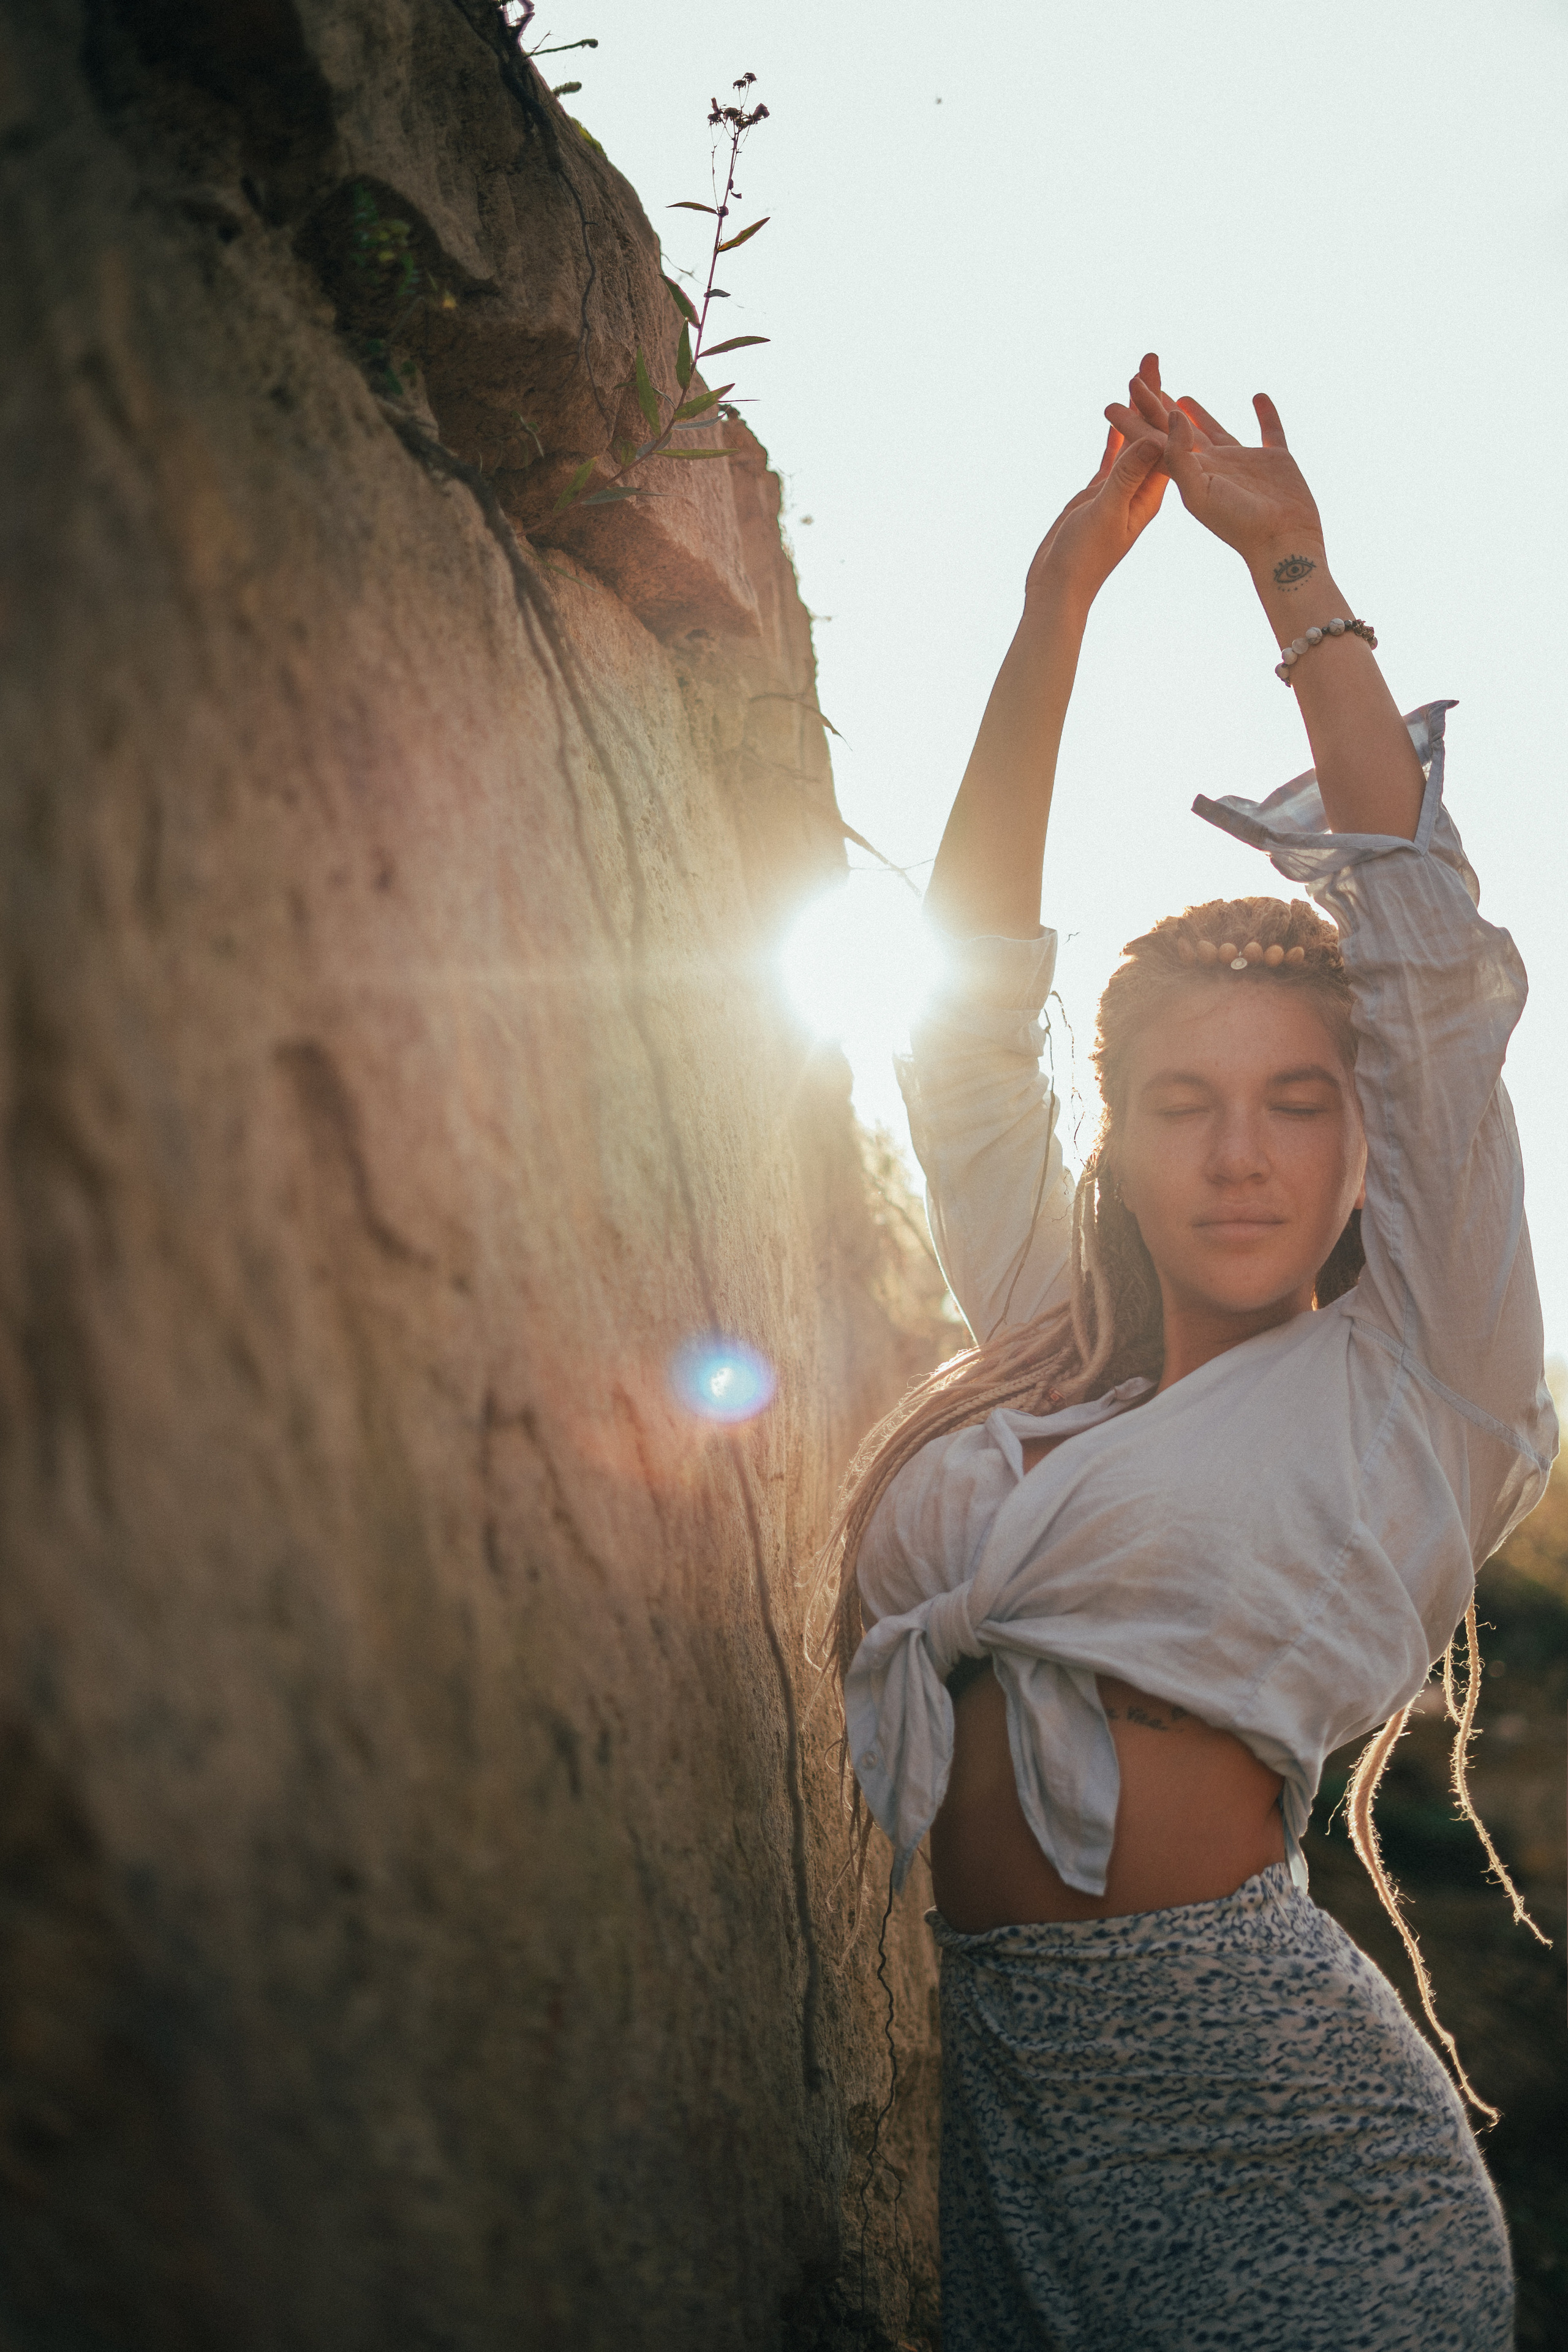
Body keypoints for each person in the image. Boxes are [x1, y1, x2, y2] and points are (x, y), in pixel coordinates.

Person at [816, 356, 1557, 2349]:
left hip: (1285, 2132)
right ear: (1117, 1140)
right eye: (1182, 1103)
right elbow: (964, 1022)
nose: (1239, 1150)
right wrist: (1058, 603)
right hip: (1020, 2116)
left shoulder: (1431, 1379)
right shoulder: (1046, 1344)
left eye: (1301, 1103)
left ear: (1365, 1138)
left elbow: (1419, 955)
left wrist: (1288, 573)